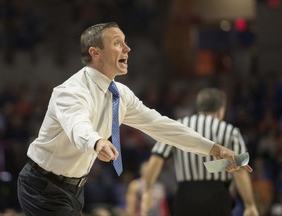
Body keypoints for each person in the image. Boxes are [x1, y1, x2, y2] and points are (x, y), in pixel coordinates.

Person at [17, 22, 252, 216]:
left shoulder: (121, 95)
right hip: (42, 185)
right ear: (95, 52)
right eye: (118, 43)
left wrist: (215, 149)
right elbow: (77, 124)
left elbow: (163, 127)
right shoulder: (71, 91)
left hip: (75, 187)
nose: (127, 49)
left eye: (126, 42)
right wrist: (96, 142)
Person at [142, 88, 259, 216]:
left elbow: (157, 158)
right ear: (221, 110)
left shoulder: (179, 126)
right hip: (218, 196)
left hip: (186, 196)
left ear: (199, 107)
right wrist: (250, 204)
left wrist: (147, 190)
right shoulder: (230, 131)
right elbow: (241, 170)